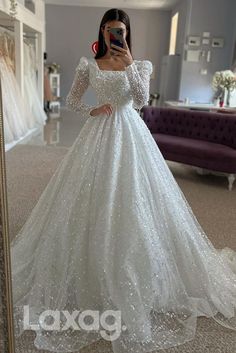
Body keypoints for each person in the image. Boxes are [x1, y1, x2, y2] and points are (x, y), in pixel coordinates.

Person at [11, 8, 236, 353]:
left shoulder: (141, 65)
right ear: (101, 31)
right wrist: (91, 109)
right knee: (87, 199)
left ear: (126, 33)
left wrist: (130, 63)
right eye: (108, 30)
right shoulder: (89, 64)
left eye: (119, 30)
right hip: (97, 133)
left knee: (137, 201)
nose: (112, 35)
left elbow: (143, 101)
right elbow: (70, 100)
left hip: (132, 136)